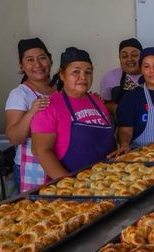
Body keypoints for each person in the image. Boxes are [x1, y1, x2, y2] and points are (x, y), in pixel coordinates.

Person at [31, 47, 114, 181]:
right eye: (76, 72)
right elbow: (40, 150)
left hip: (105, 180)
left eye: (88, 72)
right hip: (71, 186)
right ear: (62, 75)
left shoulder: (97, 101)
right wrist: (71, 183)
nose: (83, 77)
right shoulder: (49, 107)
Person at [5, 38, 55, 192]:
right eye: (30, 60)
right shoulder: (20, 94)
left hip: (57, 162)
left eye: (42, 58)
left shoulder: (59, 90)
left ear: (50, 60)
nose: (38, 64)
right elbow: (14, 138)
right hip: (32, 168)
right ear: (22, 66)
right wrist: (31, 112)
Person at [99, 38, 154, 115]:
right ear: (119, 58)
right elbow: (104, 104)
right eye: (124, 56)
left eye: (135, 55)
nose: (130, 59)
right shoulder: (109, 77)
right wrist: (119, 109)